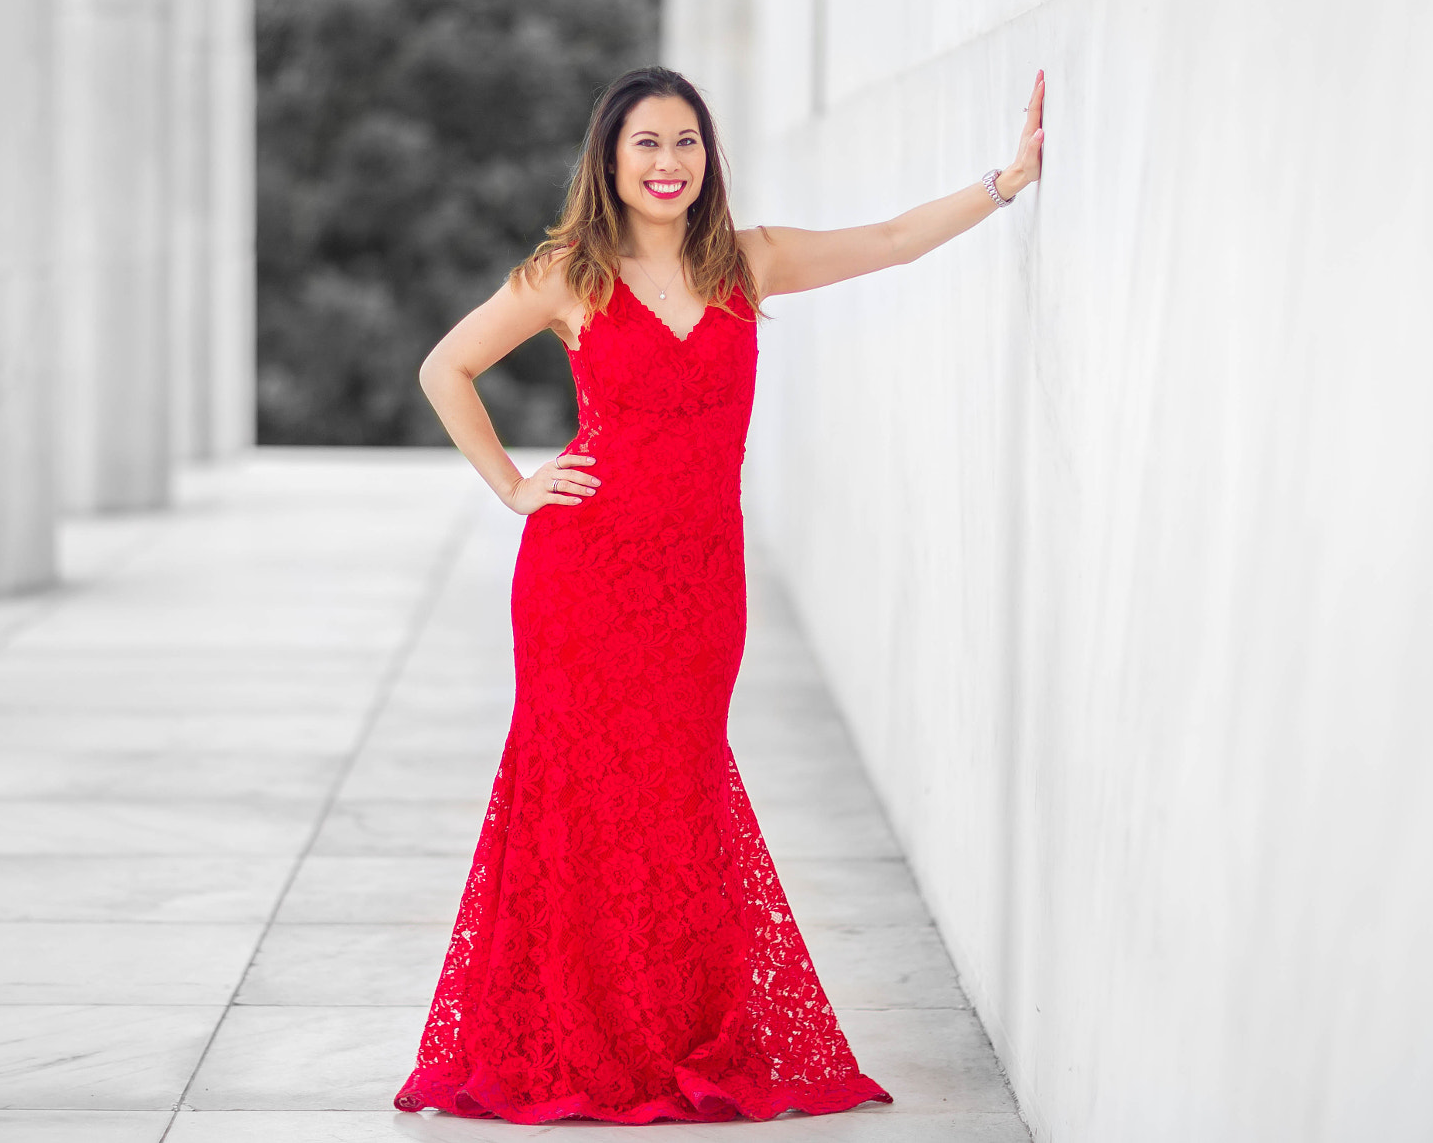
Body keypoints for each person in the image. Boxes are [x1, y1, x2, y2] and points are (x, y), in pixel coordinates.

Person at [394, 64, 1046, 1123]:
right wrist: (515, 486)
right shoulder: (570, 273)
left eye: (685, 142)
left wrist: (1002, 182)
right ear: (609, 159)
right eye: (645, 143)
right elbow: (442, 369)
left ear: (708, 159)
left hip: (698, 584)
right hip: (581, 576)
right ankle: (576, 1033)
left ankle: (670, 1032)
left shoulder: (748, 263)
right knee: (576, 798)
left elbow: (884, 242)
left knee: (676, 791)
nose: (667, 162)